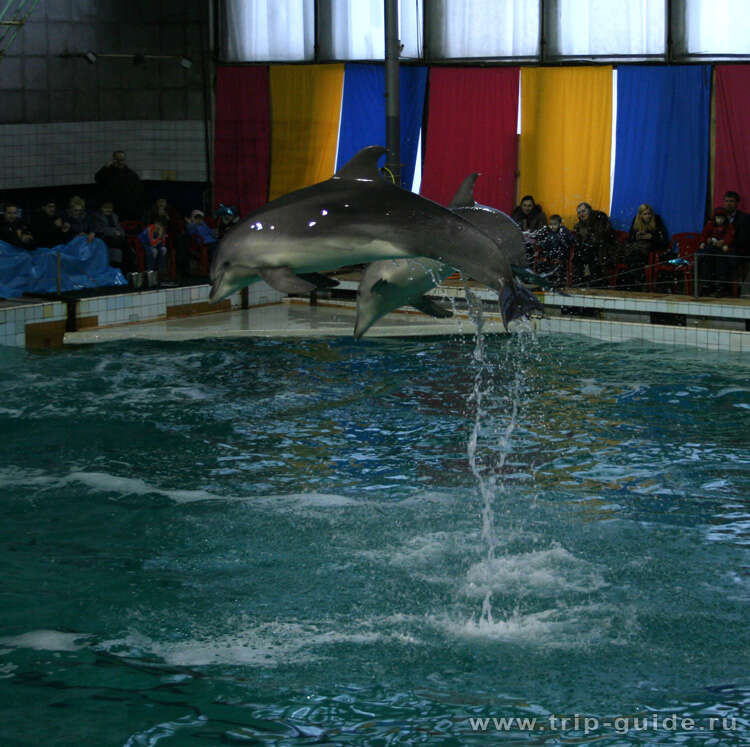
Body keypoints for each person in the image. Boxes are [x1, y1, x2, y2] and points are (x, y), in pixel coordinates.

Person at [573, 202, 619, 287]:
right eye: (579, 213)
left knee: (590, 252)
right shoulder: (578, 226)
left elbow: (602, 237)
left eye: (583, 211)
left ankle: (596, 281)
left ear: (589, 211)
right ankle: (581, 280)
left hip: (605, 248)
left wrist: (588, 242)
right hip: (588, 249)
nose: (581, 214)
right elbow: (578, 241)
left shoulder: (600, 219)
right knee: (578, 253)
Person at [624, 203, 670, 290]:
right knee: (633, 255)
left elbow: (663, 240)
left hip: (651, 248)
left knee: (636, 256)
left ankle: (636, 282)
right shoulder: (636, 221)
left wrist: (651, 237)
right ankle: (635, 281)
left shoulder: (657, 220)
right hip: (637, 248)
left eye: (649, 214)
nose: (648, 216)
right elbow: (630, 238)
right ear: (640, 215)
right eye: (645, 214)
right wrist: (636, 236)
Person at [94, 150, 146, 220]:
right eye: (118, 160)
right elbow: (97, 178)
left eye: (122, 160)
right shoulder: (108, 171)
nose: (120, 162)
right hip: (112, 206)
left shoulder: (130, 174)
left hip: (127, 207)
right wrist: (105, 167)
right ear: (114, 160)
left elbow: (138, 190)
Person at [696, 207, 735, 297]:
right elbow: (704, 235)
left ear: (725, 218)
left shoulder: (729, 226)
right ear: (714, 218)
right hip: (710, 250)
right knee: (706, 262)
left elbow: (730, 236)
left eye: (722, 218)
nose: (719, 220)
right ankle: (706, 286)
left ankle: (721, 287)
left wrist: (725, 243)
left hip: (721, 252)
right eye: (718, 218)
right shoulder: (710, 225)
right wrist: (704, 241)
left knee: (721, 264)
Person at [532, 214, 576, 288]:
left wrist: (565, 242)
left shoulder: (564, 231)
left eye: (555, 224)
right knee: (543, 263)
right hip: (549, 254)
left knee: (559, 266)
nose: (552, 226)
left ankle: (559, 280)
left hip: (561, 253)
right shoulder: (548, 232)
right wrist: (541, 245)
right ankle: (545, 279)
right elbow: (544, 242)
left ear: (560, 224)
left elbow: (571, 241)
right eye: (550, 224)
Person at [91, 200, 129, 270]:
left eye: (110, 208)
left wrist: (121, 233)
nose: (108, 210)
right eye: (105, 208)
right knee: (120, 245)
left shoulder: (115, 216)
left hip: (116, 239)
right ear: (101, 208)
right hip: (104, 238)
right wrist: (114, 232)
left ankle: (124, 270)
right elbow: (99, 229)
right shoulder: (96, 216)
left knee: (125, 245)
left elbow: (120, 228)